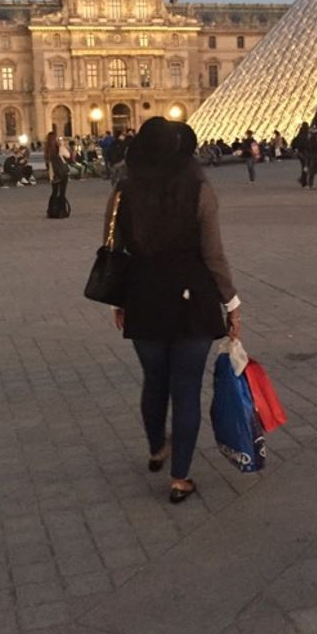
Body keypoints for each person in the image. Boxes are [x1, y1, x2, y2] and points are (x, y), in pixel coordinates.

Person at [104, 117, 240, 505]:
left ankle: (155, 450)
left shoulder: (123, 191)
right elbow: (213, 254)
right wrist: (231, 302)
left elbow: (113, 250)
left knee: (154, 381)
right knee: (186, 391)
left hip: (142, 296)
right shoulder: (199, 188)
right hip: (191, 298)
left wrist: (118, 300)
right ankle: (180, 477)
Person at [44, 130, 70, 218]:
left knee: (54, 192)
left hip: (53, 174)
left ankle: (50, 211)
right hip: (62, 173)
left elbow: (47, 164)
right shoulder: (59, 148)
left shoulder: (47, 150)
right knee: (62, 193)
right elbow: (68, 155)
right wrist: (62, 145)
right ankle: (62, 211)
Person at [291, 121, 310, 187]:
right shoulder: (307, 134)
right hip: (306, 152)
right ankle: (303, 180)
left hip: (300, 153)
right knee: (306, 166)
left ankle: (303, 180)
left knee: (304, 166)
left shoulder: (299, 134)